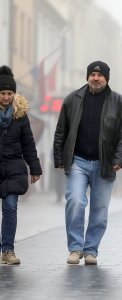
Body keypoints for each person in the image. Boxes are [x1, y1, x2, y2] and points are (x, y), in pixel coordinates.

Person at [53, 61, 122, 265]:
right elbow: (61, 129)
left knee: (100, 209)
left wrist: (120, 159)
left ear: (107, 78)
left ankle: (91, 250)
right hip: (77, 160)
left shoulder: (119, 102)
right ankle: (75, 248)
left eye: (100, 75)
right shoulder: (73, 99)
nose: (95, 78)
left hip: (104, 163)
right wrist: (59, 158)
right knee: (75, 201)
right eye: (92, 74)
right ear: (87, 77)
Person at [0, 65, 42, 265]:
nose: (6, 97)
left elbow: (28, 144)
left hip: (14, 168)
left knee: (10, 207)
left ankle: (7, 250)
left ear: (14, 95)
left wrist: (34, 168)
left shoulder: (21, 116)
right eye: (2, 93)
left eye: (9, 93)